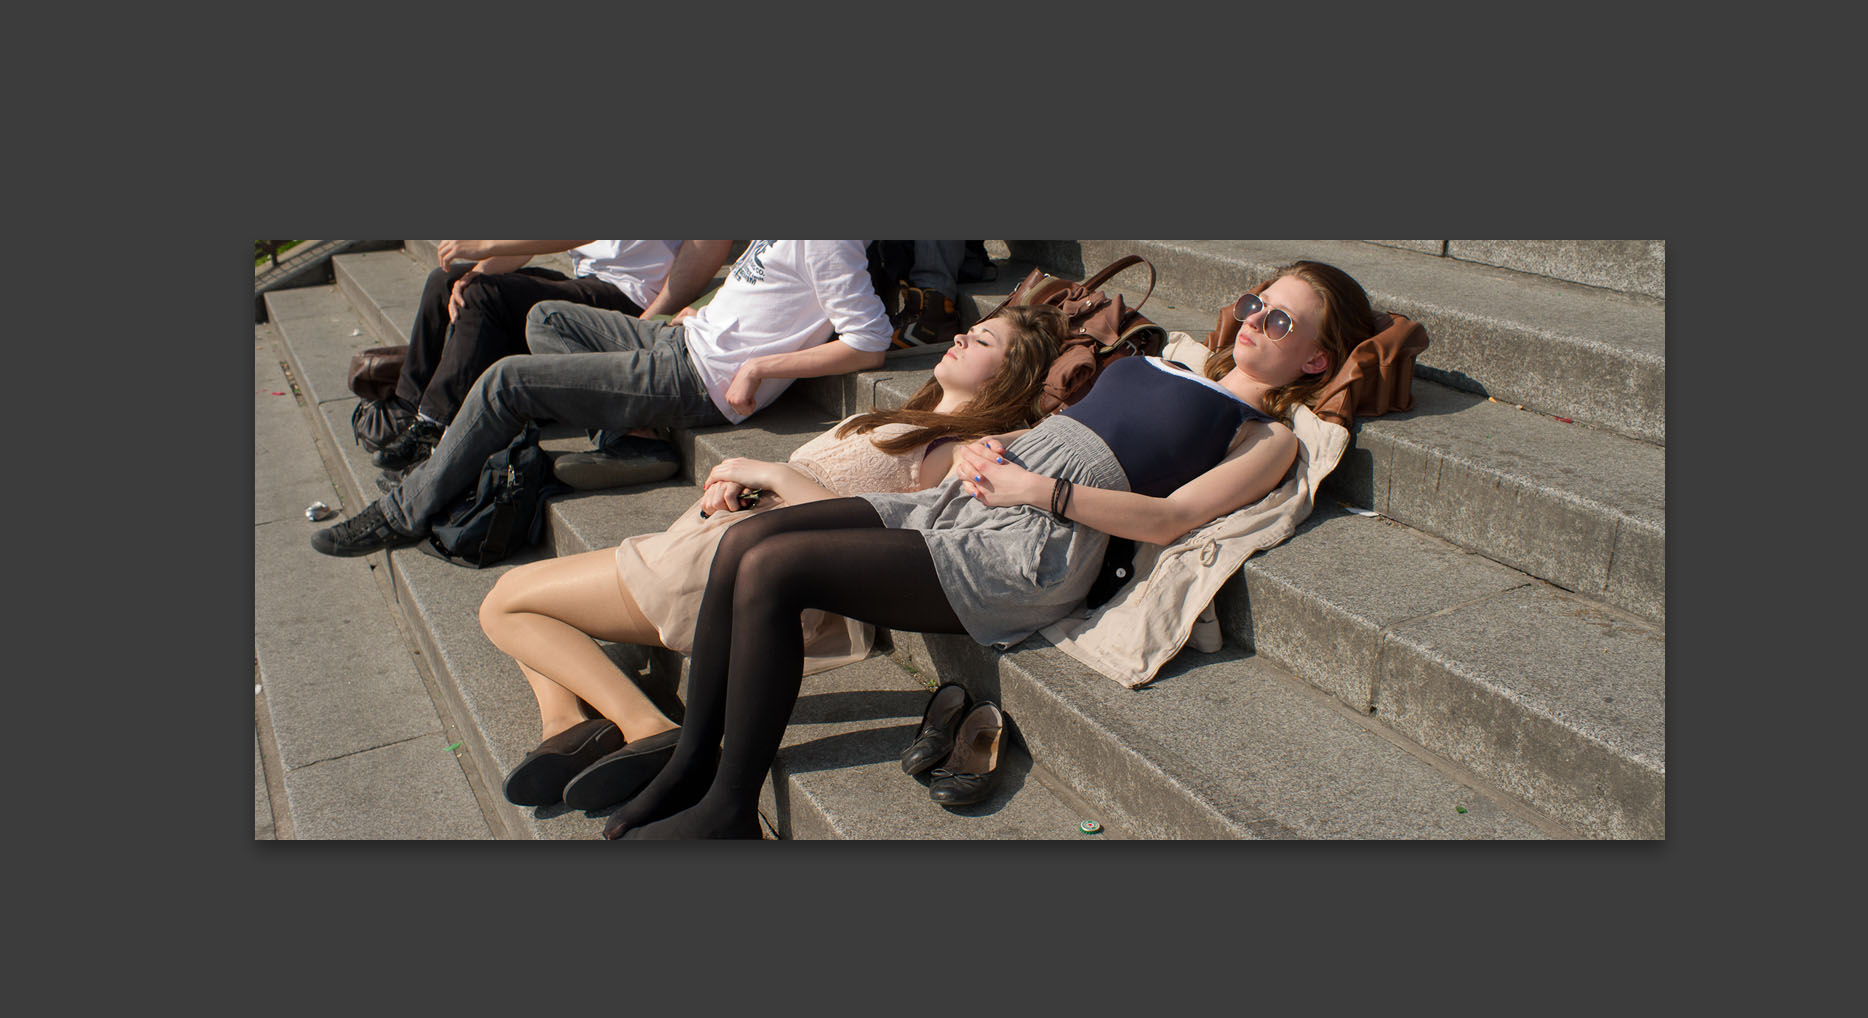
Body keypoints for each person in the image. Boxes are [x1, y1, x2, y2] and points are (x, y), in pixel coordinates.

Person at [595, 260, 1383, 839]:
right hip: (972, 497)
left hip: (1035, 546)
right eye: (1256, 301)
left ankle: (729, 808)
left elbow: (1171, 519)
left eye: (1282, 320)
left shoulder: (1267, 436)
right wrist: (992, 450)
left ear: (1317, 360)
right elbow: (1061, 432)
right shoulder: (1163, 360)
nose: (1254, 320)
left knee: (776, 566)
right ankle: (691, 766)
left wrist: (1040, 492)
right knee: (749, 540)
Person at [474, 306, 1069, 810]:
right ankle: (567, 728)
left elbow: (868, 530)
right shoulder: (914, 419)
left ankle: (646, 727)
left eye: (984, 339)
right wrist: (746, 484)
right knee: (527, 602)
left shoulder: (956, 449)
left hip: (738, 562)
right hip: (725, 534)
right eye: (973, 327)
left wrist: (769, 473)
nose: (962, 334)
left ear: (1008, 378)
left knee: (506, 606)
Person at [311, 240, 893, 558]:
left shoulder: (829, 240)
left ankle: (399, 514)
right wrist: (708, 309)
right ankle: (629, 438)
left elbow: (869, 344)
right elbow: (766, 291)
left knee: (508, 380)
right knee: (548, 316)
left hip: (698, 379)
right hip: (681, 339)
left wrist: (763, 366)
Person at [372, 241, 732, 471]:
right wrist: (473, 274)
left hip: (630, 298)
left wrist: (649, 321)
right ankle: (408, 411)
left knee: (486, 296)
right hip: (587, 284)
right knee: (446, 281)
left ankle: (435, 428)